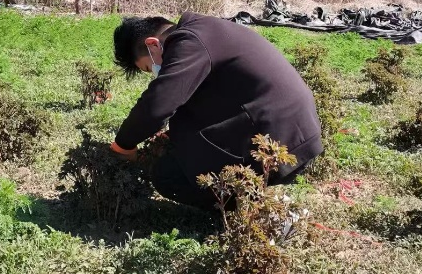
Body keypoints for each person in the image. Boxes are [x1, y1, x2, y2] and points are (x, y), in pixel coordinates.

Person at [110, 12, 322, 210]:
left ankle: (253, 208)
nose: (156, 71)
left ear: (152, 44)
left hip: (281, 140)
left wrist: (123, 145)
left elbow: (157, 105)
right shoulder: (204, 30)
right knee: (183, 140)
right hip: (296, 132)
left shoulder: (189, 42)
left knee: (168, 174)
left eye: (149, 67)